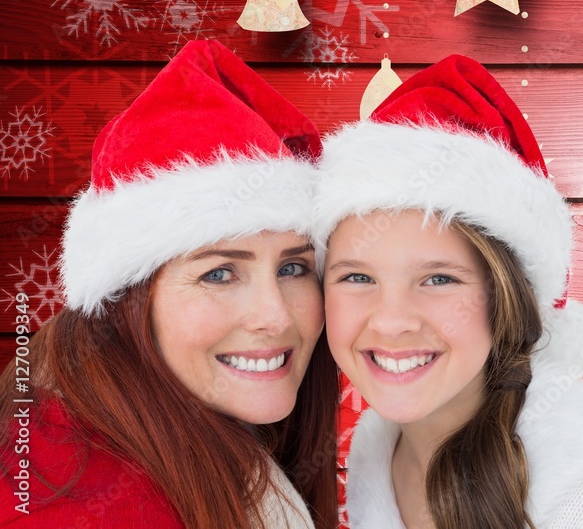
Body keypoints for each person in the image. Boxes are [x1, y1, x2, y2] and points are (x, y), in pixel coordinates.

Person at [313, 54, 583, 528]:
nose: (392, 320)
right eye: (357, 277)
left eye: (439, 279)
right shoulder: (378, 454)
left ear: (505, 300)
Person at [0, 40, 338, 528]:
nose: (277, 316)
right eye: (218, 273)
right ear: (128, 299)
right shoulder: (88, 505)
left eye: (293, 268)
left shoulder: (180, 425)